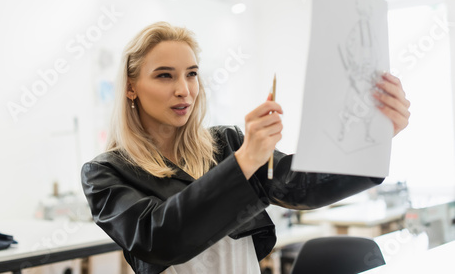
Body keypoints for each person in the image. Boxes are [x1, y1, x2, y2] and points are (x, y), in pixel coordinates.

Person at [81, 22, 410, 274]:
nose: (184, 90)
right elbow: (157, 239)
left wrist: (372, 138)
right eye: (165, 76)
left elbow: (300, 186)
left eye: (191, 74)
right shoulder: (105, 173)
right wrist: (245, 161)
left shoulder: (226, 143)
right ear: (131, 88)